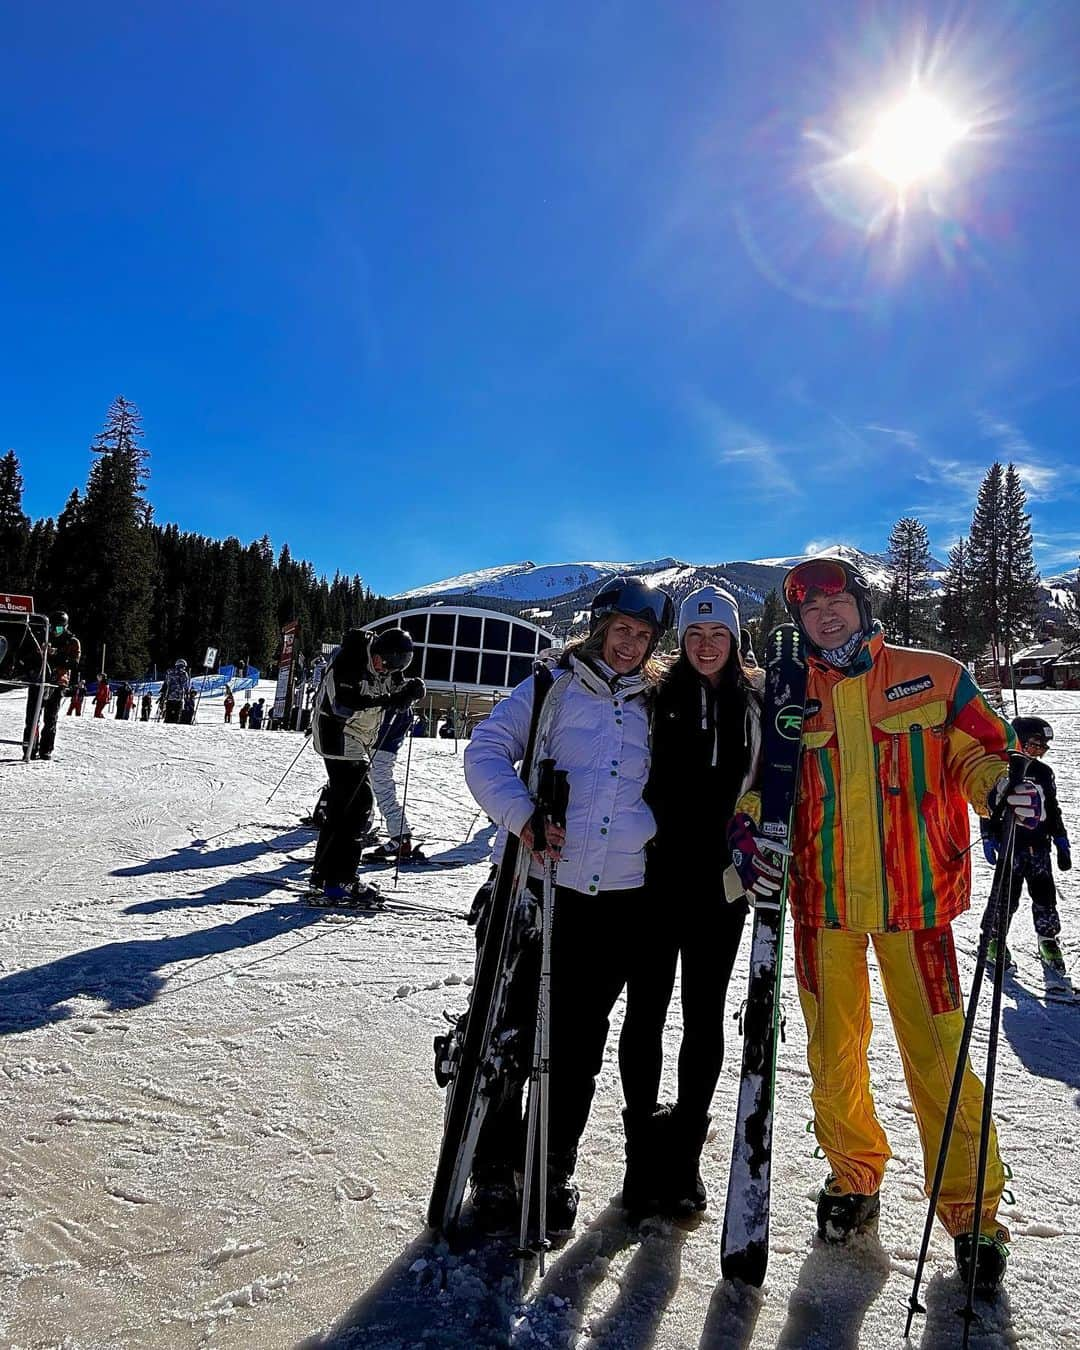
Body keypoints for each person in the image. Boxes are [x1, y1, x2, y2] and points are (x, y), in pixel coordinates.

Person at [727, 555, 1046, 1293]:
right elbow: (759, 785)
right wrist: (747, 831)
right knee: (834, 1056)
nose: (826, 617)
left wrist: (1001, 788)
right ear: (798, 622)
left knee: (939, 1058)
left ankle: (972, 1214)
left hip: (917, 906)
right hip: (821, 906)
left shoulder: (932, 673)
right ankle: (852, 1177)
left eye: (836, 602)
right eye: (810, 611)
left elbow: (981, 751)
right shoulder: (785, 692)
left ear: (861, 605)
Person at [462, 575, 674, 1240]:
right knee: (512, 1029)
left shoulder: (654, 705)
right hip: (536, 889)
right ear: (600, 627)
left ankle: (551, 1164)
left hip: (614, 900)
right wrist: (523, 817)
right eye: (622, 632)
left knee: (579, 1044)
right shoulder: (550, 687)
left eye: (642, 638)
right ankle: (494, 1160)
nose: (631, 646)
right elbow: (486, 752)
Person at [618, 585, 761, 1217]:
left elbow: (778, 775)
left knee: (704, 1016)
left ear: (734, 640)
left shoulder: (754, 702)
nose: (706, 646)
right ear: (681, 641)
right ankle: (640, 1153)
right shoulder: (654, 697)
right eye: (696, 636)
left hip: (721, 885)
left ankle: (683, 1155)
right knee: (645, 1011)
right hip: (652, 878)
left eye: (718, 636)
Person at [311, 627, 424, 902]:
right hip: (337, 734)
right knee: (358, 803)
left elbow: (395, 688)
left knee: (342, 807)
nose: (383, 669)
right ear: (377, 652)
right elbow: (346, 702)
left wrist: (410, 690)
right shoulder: (350, 660)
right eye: (381, 663)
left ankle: (326, 877)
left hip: (357, 737)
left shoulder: (388, 662)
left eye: (390, 667)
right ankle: (342, 878)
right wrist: (390, 700)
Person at [981, 716, 1072, 973]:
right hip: (1011, 846)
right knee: (1005, 897)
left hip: (1039, 847)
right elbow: (988, 807)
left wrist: (1061, 839)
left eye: (1043, 748)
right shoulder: (1003, 770)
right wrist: (988, 835)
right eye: (1034, 746)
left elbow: (1052, 808)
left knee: (1044, 895)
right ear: (1018, 742)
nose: (1039, 753)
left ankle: (1048, 939)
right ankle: (993, 939)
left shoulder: (1044, 773)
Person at [367, 697, 425, 861]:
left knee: (382, 792)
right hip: (382, 749)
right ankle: (368, 828)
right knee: (369, 790)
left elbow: (379, 726)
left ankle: (400, 837)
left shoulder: (396, 703)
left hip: (379, 749)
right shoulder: (402, 703)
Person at [23, 612, 81, 760]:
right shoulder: (42, 636)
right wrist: (38, 652)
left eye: (59, 628)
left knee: (50, 718)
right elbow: (27, 656)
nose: (55, 630)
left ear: (65, 627)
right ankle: (29, 746)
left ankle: (46, 749)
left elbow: (74, 663)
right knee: (32, 716)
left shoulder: (72, 641)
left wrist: (56, 654)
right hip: (39, 679)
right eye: (52, 627)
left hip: (57, 682)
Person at [162, 659, 191, 724]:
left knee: (168, 714)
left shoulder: (170, 672)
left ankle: (167, 724)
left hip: (169, 696)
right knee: (177, 714)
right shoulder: (184, 673)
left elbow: (166, 683)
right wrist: (188, 692)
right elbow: (185, 685)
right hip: (179, 697)